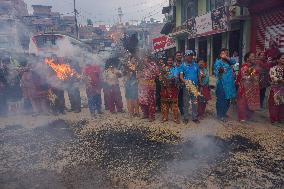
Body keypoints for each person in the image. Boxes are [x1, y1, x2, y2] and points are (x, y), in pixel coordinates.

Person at [236, 52, 260, 122]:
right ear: (247, 58)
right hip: (244, 88)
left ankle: (248, 117)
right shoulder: (244, 67)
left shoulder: (253, 67)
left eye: (254, 56)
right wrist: (254, 74)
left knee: (251, 102)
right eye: (252, 56)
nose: (254, 58)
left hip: (252, 88)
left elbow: (256, 77)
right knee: (243, 102)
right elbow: (247, 77)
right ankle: (242, 117)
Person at [214, 48, 237, 121]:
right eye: (224, 53)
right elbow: (216, 72)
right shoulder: (218, 62)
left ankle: (224, 113)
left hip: (230, 85)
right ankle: (220, 115)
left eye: (227, 53)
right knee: (221, 100)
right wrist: (220, 71)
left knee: (228, 100)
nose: (225, 55)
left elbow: (234, 62)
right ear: (220, 55)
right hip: (222, 84)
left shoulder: (229, 62)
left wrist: (226, 57)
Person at [179, 50, 200, 124]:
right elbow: (181, 77)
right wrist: (187, 83)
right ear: (185, 56)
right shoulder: (182, 65)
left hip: (195, 86)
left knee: (195, 102)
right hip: (187, 86)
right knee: (186, 103)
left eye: (191, 55)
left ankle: (195, 117)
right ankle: (186, 117)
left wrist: (199, 84)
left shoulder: (196, 65)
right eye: (188, 55)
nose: (190, 56)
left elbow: (198, 75)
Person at [138, 55, 160, 122]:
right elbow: (138, 74)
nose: (144, 60)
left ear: (149, 59)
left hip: (150, 85)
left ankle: (152, 116)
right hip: (142, 86)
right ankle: (145, 114)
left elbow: (157, 74)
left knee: (151, 101)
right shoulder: (141, 66)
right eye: (144, 59)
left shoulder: (154, 65)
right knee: (142, 101)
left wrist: (148, 66)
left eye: (146, 58)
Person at [159, 56, 180, 123]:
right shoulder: (163, 68)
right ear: (166, 61)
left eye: (171, 60)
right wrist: (163, 79)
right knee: (164, 103)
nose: (170, 62)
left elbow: (176, 76)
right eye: (168, 60)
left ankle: (175, 118)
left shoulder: (175, 68)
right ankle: (165, 117)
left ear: (173, 61)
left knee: (174, 103)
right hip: (165, 88)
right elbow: (160, 78)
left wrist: (169, 79)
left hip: (173, 87)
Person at [268, 53, 284, 124]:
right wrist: (281, 80)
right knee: (274, 104)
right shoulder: (273, 68)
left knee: (282, 105)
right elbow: (273, 78)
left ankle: (281, 118)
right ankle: (274, 119)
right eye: (282, 58)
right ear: (278, 60)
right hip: (276, 90)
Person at [175, 51, 184, 116]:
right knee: (175, 98)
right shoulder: (173, 64)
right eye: (178, 55)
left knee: (181, 97)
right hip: (174, 84)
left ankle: (182, 110)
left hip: (182, 84)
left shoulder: (184, 64)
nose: (179, 56)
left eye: (180, 55)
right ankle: (175, 111)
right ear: (175, 56)